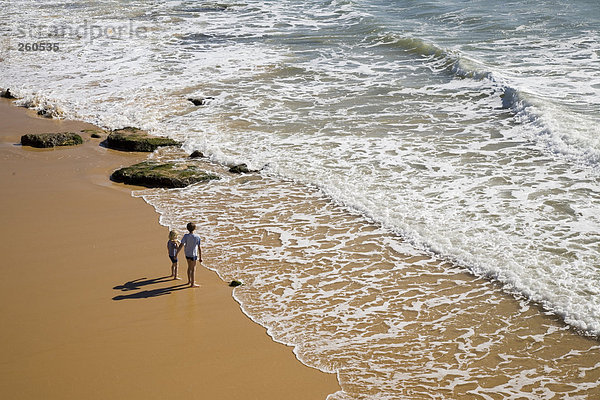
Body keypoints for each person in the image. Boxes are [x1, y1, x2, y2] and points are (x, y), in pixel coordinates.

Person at [177, 222, 202, 287]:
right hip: (193, 254)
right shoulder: (197, 237)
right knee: (193, 269)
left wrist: (176, 253)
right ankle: (192, 284)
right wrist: (200, 257)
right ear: (194, 229)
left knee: (189, 267)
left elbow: (181, 245)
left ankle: (189, 281)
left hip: (187, 254)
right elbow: (199, 248)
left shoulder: (185, 236)